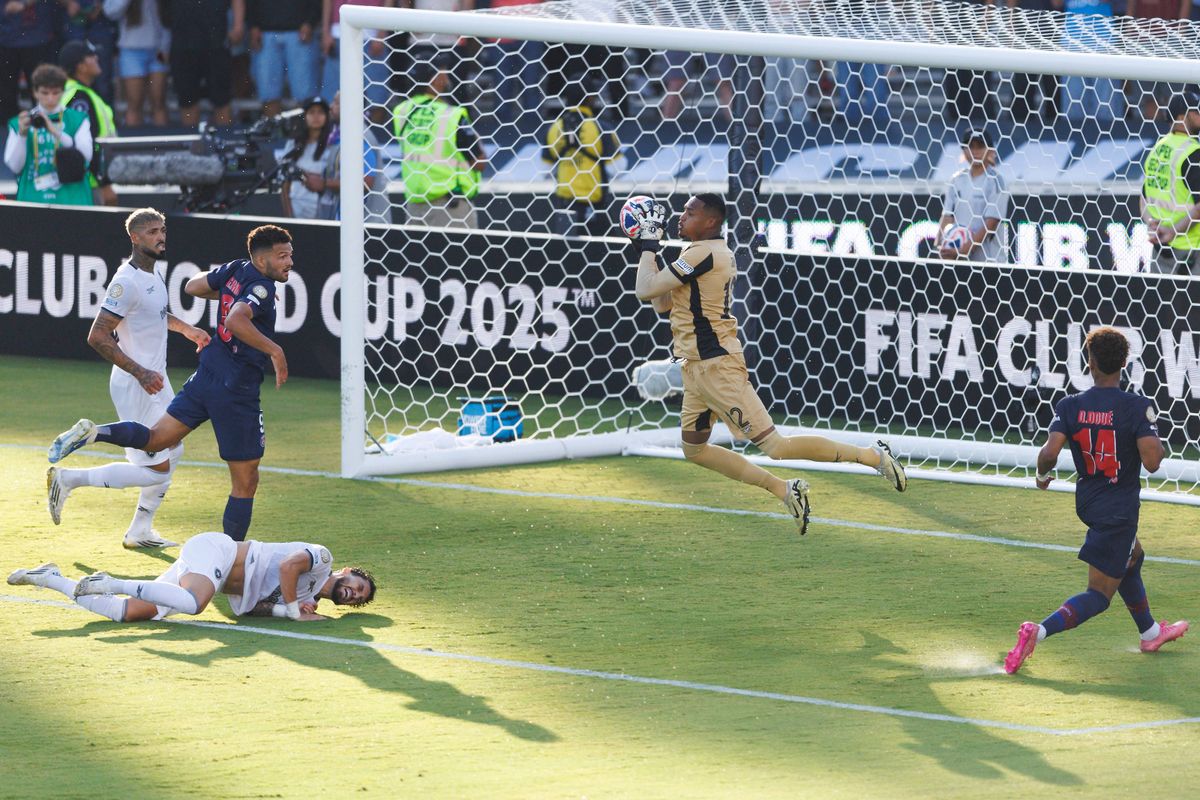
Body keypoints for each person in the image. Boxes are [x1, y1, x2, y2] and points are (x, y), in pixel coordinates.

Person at [630, 194, 908, 534]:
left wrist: (646, 247)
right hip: (695, 370)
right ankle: (783, 489)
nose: (682, 215)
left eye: (691, 211)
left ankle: (872, 456)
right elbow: (661, 302)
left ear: (711, 222)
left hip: (718, 369)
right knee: (695, 449)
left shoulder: (706, 253)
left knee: (776, 446)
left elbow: (644, 291)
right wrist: (651, 250)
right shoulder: (695, 254)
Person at [48, 225, 294, 544]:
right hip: (235, 388)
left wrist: (228, 293)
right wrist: (275, 350)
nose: (290, 262)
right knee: (245, 480)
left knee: (156, 441)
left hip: (207, 373)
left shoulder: (237, 268)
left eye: (291, 254)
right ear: (262, 260)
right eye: (283, 256)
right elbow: (235, 320)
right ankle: (229, 557)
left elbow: (193, 286)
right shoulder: (261, 286)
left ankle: (96, 433)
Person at [1004, 327, 1188, 674]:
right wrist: (1149, 435)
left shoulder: (1070, 405)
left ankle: (1150, 633)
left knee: (1133, 555)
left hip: (1089, 503)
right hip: (1118, 510)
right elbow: (1152, 461)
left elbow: (1049, 452)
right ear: (1124, 364)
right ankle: (1037, 631)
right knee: (1098, 596)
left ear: (1090, 363)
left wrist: (1043, 477)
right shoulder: (1136, 406)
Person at [46, 208, 210, 547]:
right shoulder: (126, 281)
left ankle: (139, 530)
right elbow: (97, 335)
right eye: (152, 231)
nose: (160, 236)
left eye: (162, 230)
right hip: (138, 383)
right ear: (135, 237)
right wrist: (140, 371)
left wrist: (187, 330)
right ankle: (72, 475)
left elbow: (157, 315)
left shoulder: (152, 274)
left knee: (172, 450)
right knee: (155, 466)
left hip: (153, 379)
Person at [7, 531, 377, 623]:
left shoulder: (303, 598)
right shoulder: (322, 560)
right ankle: (111, 580)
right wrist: (295, 606)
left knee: (128, 614)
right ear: (347, 571)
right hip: (216, 552)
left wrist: (286, 612)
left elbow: (245, 612)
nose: (353, 594)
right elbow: (287, 566)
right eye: (357, 585)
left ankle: (49, 578)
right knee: (195, 605)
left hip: (205, 575)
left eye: (357, 599)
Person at [393, 67, 485, 228]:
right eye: (443, 72)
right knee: (461, 252)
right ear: (434, 80)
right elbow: (479, 162)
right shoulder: (452, 115)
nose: (448, 77)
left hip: (414, 204)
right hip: (450, 208)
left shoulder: (401, 111)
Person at [4, 62, 93, 205]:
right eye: (45, 93)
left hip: (72, 198)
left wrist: (56, 132)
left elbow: (86, 156)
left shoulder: (78, 119)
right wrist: (22, 135)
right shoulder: (19, 122)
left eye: (55, 92)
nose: (50, 98)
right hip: (33, 198)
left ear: (63, 91)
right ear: (35, 92)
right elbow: (14, 166)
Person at [543, 76, 620, 236]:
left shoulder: (554, 128)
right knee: (600, 253)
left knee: (565, 254)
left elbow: (545, 168)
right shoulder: (601, 127)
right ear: (591, 97)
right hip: (593, 206)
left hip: (563, 206)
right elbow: (618, 167)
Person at [1142, 89, 1200, 275]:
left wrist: (1152, 224)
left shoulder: (1157, 149)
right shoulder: (1193, 153)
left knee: (1161, 302)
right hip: (1191, 252)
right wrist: (1173, 231)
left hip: (1161, 251)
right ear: (1183, 116)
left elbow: (1143, 197)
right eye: (1197, 112)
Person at [162, 0, 244, 127]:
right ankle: (191, 142)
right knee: (187, 100)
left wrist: (238, 25)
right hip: (182, 43)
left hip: (216, 42)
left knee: (221, 100)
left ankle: (224, 140)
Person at [936, 130, 1009, 263]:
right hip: (959, 263)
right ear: (964, 151)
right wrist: (940, 248)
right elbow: (947, 216)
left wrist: (963, 251)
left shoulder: (996, 181)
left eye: (980, 146)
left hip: (990, 263)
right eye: (971, 147)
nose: (975, 151)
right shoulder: (956, 180)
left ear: (989, 150)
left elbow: (991, 224)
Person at [59, 38, 117, 205]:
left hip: (86, 179)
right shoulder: (79, 97)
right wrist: (104, 184)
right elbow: (89, 143)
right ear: (80, 66)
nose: (96, 58)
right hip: (88, 182)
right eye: (91, 56)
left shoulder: (75, 92)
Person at [321, 89, 392, 223]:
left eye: (336, 103)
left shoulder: (360, 137)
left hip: (368, 227)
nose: (330, 107)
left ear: (350, 106)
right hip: (353, 223)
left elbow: (365, 183)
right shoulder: (343, 136)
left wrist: (324, 184)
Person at [246, 0, 320, 119]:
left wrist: (310, 22)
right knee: (268, 95)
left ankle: (302, 135)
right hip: (266, 31)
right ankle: (274, 134)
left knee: (304, 96)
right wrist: (253, 25)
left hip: (299, 31)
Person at [102, 0, 170, 127]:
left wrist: (165, 45)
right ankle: (134, 144)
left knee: (159, 101)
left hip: (158, 50)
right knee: (134, 103)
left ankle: (164, 144)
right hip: (131, 50)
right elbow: (110, 12)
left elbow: (166, 17)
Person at [0, 0, 58, 128]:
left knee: (41, 88)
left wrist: (24, 3)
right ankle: (11, 133)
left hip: (37, 37)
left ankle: (43, 127)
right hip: (7, 37)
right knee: (6, 93)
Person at [279, 94, 335, 219]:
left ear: (327, 116)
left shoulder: (333, 145)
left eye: (320, 112)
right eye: (311, 112)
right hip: (296, 206)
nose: (316, 117)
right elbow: (284, 182)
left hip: (324, 209)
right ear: (304, 116)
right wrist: (289, 216)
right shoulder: (293, 143)